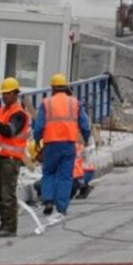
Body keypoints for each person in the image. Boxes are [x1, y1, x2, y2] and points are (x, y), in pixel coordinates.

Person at [33, 73, 91, 222]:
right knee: (66, 176)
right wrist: (86, 138)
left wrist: (37, 138)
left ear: (52, 88)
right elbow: (84, 124)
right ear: (66, 87)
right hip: (68, 144)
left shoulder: (47, 103)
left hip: (51, 144)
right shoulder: (74, 103)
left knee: (49, 173)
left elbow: (39, 126)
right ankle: (62, 208)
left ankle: (48, 201)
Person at [0, 77, 30, 238]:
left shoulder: (19, 114)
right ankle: (4, 224)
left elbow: (9, 131)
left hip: (10, 159)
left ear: (15, 94)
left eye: (7, 93)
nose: (4, 96)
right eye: (3, 93)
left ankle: (10, 227)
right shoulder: (3, 111)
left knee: (7, 193)